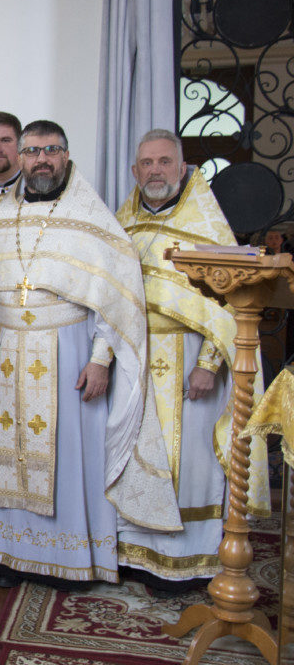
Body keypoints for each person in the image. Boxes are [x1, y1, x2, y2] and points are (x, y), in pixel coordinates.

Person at [0, 119, 181, 588]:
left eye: (51, 150)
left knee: (68, 459)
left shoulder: (92, 220)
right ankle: (8, 553)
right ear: (22, 158)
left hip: (69, 355)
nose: (42, 160)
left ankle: (71, 558)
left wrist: (101, 359)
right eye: (33, 151)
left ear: (66, 155)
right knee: (7, 457)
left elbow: (113, 300)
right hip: (8, 358)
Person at [116, 129, 270, 590]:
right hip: (135, 359)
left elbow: (227, 303)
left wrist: (208, 363)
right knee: (134, 457)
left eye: (165, 162)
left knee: (190, 462)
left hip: (188, 360)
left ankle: (187, 560)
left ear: (182, 169)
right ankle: (135, 554)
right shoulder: (123, 225)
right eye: (147, 163)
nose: (155, 171)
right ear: (135, 171)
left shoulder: (207, 226)